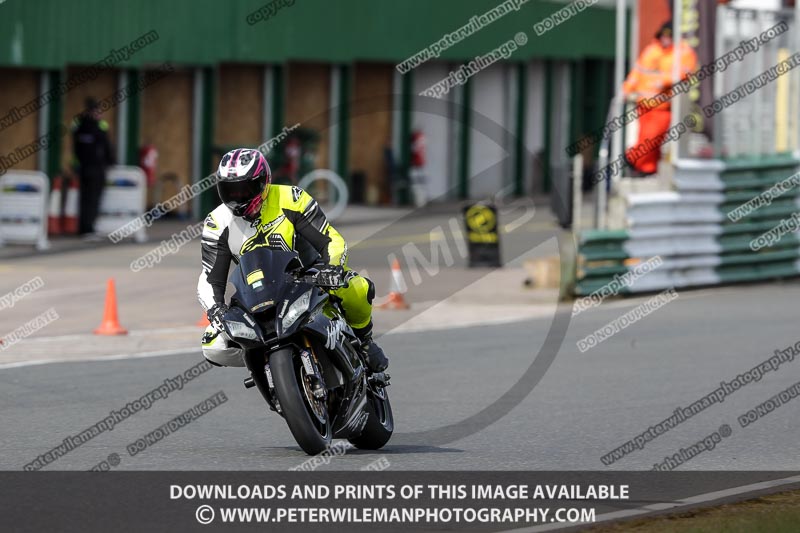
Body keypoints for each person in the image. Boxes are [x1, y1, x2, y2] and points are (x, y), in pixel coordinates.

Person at [197, 148, 389, 372]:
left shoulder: (290, 198)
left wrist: (333, 268)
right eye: (229, 191)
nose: (238, 197)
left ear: (263, 183)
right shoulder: (216, 222)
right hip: (256, 294)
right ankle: (265, 365)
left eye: (244, 189)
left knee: (356, 287)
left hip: (308, 276)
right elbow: (210, 278)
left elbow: (329, 239)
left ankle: (365, 342)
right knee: (213, 345)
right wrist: (215, 309)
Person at [622, 21, 697, 175]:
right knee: (645, 138)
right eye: (663, 35)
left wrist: (664, 81)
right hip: (643, 103)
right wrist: (626, 89)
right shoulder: (651, 50)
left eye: (669, 36)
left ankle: (632, 158)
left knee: (652, 138)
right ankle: (647, 169)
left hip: (663, 105)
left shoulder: (682, 52)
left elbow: (686, 72)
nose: (665, 39)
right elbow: (637, 73)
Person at [71, 97, 114, 237]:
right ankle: (88, 228)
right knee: (93, 198)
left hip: (83, 167)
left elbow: (75, 145)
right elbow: (107, 146)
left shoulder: (78, 123)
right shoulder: (99, 125)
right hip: (95, 168)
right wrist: (111, 162)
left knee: (85, 198)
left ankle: (84, 227)